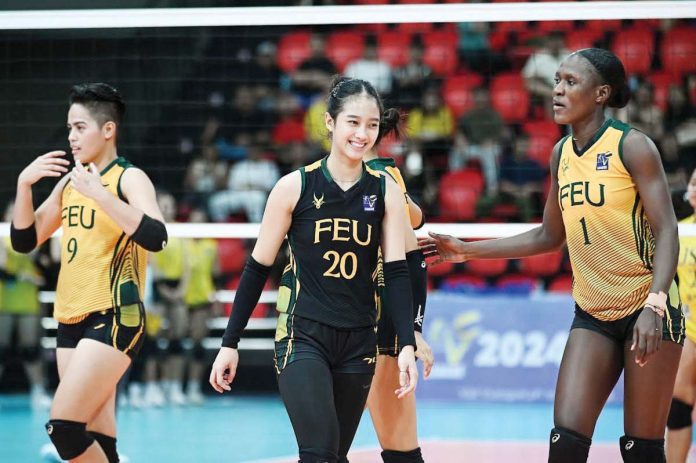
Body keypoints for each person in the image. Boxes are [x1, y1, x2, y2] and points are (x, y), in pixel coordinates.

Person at [421, 48, 683, 463]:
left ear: (601, 94)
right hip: (593, 312)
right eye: (557, 80)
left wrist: (656, 303)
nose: (557, 90)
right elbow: (548, 235)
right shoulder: (561, 154)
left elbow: (668, 229)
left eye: (570, 82)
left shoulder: (632, 147)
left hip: (646, 310)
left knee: (642, 451)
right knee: (565, 442)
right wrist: (465, 251)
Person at [209, 76, 418, 463]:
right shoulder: (294, 187)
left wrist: (407, 342)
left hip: (359, 342)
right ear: (330, 122)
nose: (362, 134)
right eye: (353, 122)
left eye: (371, 125)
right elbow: (256, 269)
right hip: (302, 337)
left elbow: (398, 271)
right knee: (318, 453)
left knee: (335, 456)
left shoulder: (384, 189)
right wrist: (229, 343)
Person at [11, 82, 166, 463]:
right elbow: (25, 240)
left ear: (107, 129)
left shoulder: (129, 178)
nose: (71, 137)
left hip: (115, 314)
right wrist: (24, 185)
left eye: (79, 127)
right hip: (71, 316)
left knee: (63, 428)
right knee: (98, 435)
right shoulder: (69, 183)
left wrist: (100, 194)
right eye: (69, 128)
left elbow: (157, 236)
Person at [363, 151, 434, 463]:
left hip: (381, 330)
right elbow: (417, 216)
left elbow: (412, 255)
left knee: (401, 453)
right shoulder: (313, 180)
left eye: (369, 124)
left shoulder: (382, 177)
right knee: (324, 448)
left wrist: (412, 331)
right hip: (330, 327)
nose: (360, 132)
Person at [0, 201, 51, 410]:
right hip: (3, 300)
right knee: (1, 350)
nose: (15, 214)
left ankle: (38, 391)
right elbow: (3, 271)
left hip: (28, 300)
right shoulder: (2, 236)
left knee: (30, 348)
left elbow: (45, 265)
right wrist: (23, 275)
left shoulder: (35, 234)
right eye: (11, 211)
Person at [666, 168, 696, 462]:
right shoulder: (681, 230)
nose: (695, 187)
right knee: (677, 403)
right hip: (690, 329)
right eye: (693, 182)